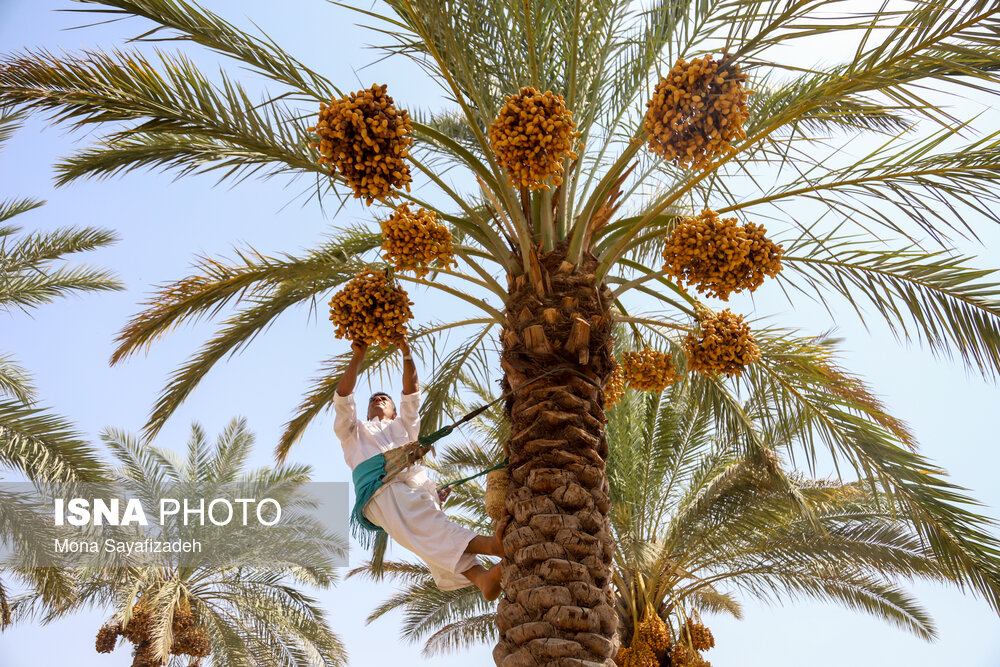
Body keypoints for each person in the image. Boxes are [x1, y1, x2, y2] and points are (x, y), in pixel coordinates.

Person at [333, 336, 508, 599]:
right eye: (373, 399)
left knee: (430, 537)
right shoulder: (353, 432)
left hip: (411, 487)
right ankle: (492, 546)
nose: (378, 398)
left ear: (394, 412)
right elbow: (343, 398)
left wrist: (406, 353)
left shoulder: (403, 427)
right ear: (366, 411)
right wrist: (358, 357)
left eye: (385, 398)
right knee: (430, 530)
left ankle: (482, 578)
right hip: (380, 490)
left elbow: (411, 393)